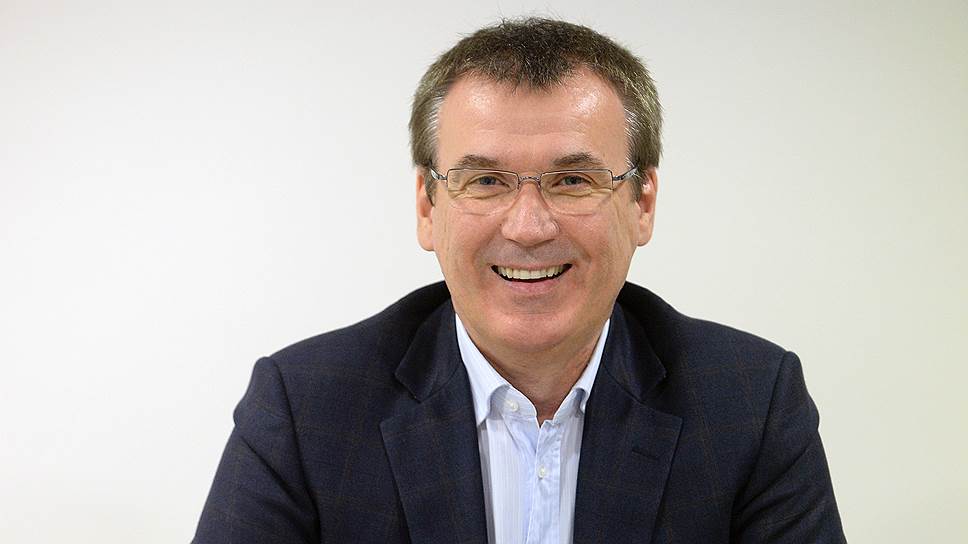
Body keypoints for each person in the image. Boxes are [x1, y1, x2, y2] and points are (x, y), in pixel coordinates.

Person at [193, 18, 845, 544]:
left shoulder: (751, 405)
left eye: (573, 180)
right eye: (485, 181)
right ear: (426, 206)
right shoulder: (304, 410)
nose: (528, 227)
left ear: (642, 203)